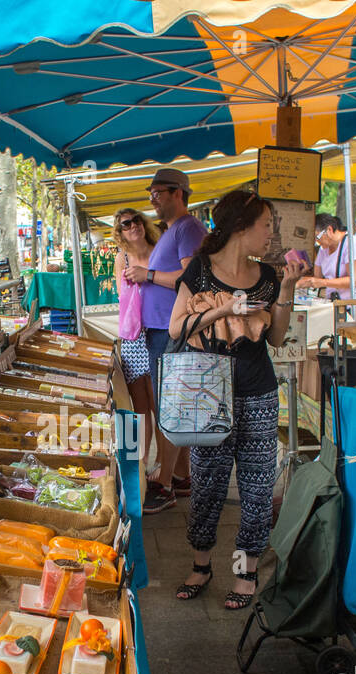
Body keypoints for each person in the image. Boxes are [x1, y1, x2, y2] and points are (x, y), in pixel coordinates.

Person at [167, 191, 307, 609]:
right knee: (207, 482)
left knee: (259, 485)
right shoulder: (199, 272)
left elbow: (278, 338)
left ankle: (246, 571)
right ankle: (201, 564)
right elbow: (176, 329)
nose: (272, 233)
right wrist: (223, 309)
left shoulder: (268, 274)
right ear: (241, 228)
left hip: (258, 389)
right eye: (266, 224)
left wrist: (286, 289)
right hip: (206, 391)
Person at [124, 168, 207, 514]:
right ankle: (183, 475)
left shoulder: (187, 228)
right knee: (174, 407)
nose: (152, 199)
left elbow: (194, 278)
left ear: (178, 193)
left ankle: (165, 483)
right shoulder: (173, 231)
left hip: (172, 333)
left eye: (157, 193)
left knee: (170, 409)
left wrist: (149, 275)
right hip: (162, 332)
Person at [112, 207, 161, 479]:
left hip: (158, 330)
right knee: (139, 406)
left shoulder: (159, 251)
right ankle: (142, 464)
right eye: (126, 224)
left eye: (137, 220)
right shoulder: (123, 258)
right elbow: (124, 297)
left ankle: (166, 467)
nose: (134, 226)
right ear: (120, 233)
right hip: (133, 336)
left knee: (159, 403)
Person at [301, 215, 356, 319]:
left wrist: (324, 282)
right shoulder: (323, 249)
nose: (317, 241)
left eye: (317, 237)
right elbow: (317, 276)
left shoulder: (352, 244)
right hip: (337, 305)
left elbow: (355, 281)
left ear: (329, 230)